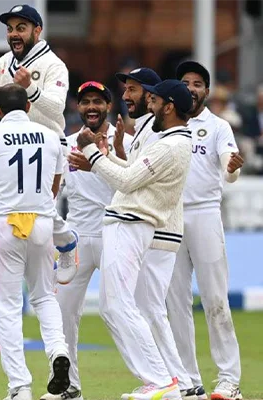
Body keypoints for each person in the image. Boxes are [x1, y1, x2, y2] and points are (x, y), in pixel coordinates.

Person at [71, 69, 201, 400]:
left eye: (152, 99)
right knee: (119, 307)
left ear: (168, 106)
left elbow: (128, 182)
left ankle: (167, 381)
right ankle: (168, 381)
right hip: (132, 222)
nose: (145, 101)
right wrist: (109, 153)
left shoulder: (168, 144)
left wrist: (92, 153)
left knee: (131, 307)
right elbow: (132, 174)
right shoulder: (161, 137)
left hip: (134, 222)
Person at [0, 4, 79, 284]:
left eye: (20, 28)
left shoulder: (53, 65)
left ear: (37, 30)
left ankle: (67, 244)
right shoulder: (2, 64)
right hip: (11, 151)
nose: (14, 35)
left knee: (42, 217)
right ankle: (51, 244)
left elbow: (57, 109)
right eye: (10, 29)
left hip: (47, 151)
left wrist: (30, 88)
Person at [0, 83, 71, 400]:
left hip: (4, 222)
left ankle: (20, 386)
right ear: (28, 106)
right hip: (42, 221)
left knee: (7, 306)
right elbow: (54, 189)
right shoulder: (51, 137)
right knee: (44, 297)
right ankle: (58, 351)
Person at [40, 81, 131, 400]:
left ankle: (158, 379)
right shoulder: (64, 145)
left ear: (109, 106)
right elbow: (53, 193)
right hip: (75, 237)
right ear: (77, 107)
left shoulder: (127, 141)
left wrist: (116, 153)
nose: (91, 107)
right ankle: (69, 387)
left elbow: (134, 185)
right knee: (62, 315)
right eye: (85, 102)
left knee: (123, 311)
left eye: (97, 101)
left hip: (115, 233)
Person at [167, 61, 244, 400]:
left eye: (198, 83)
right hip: (169, 218)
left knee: (215, 299)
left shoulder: (217, 127)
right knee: (175, 303)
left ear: (207, 91)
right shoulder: (165, 124)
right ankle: (187, 379)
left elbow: (229, 166)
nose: (192, 88)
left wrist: (231, 170)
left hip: (204, 214)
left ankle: (229, 379)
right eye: (185, 82)